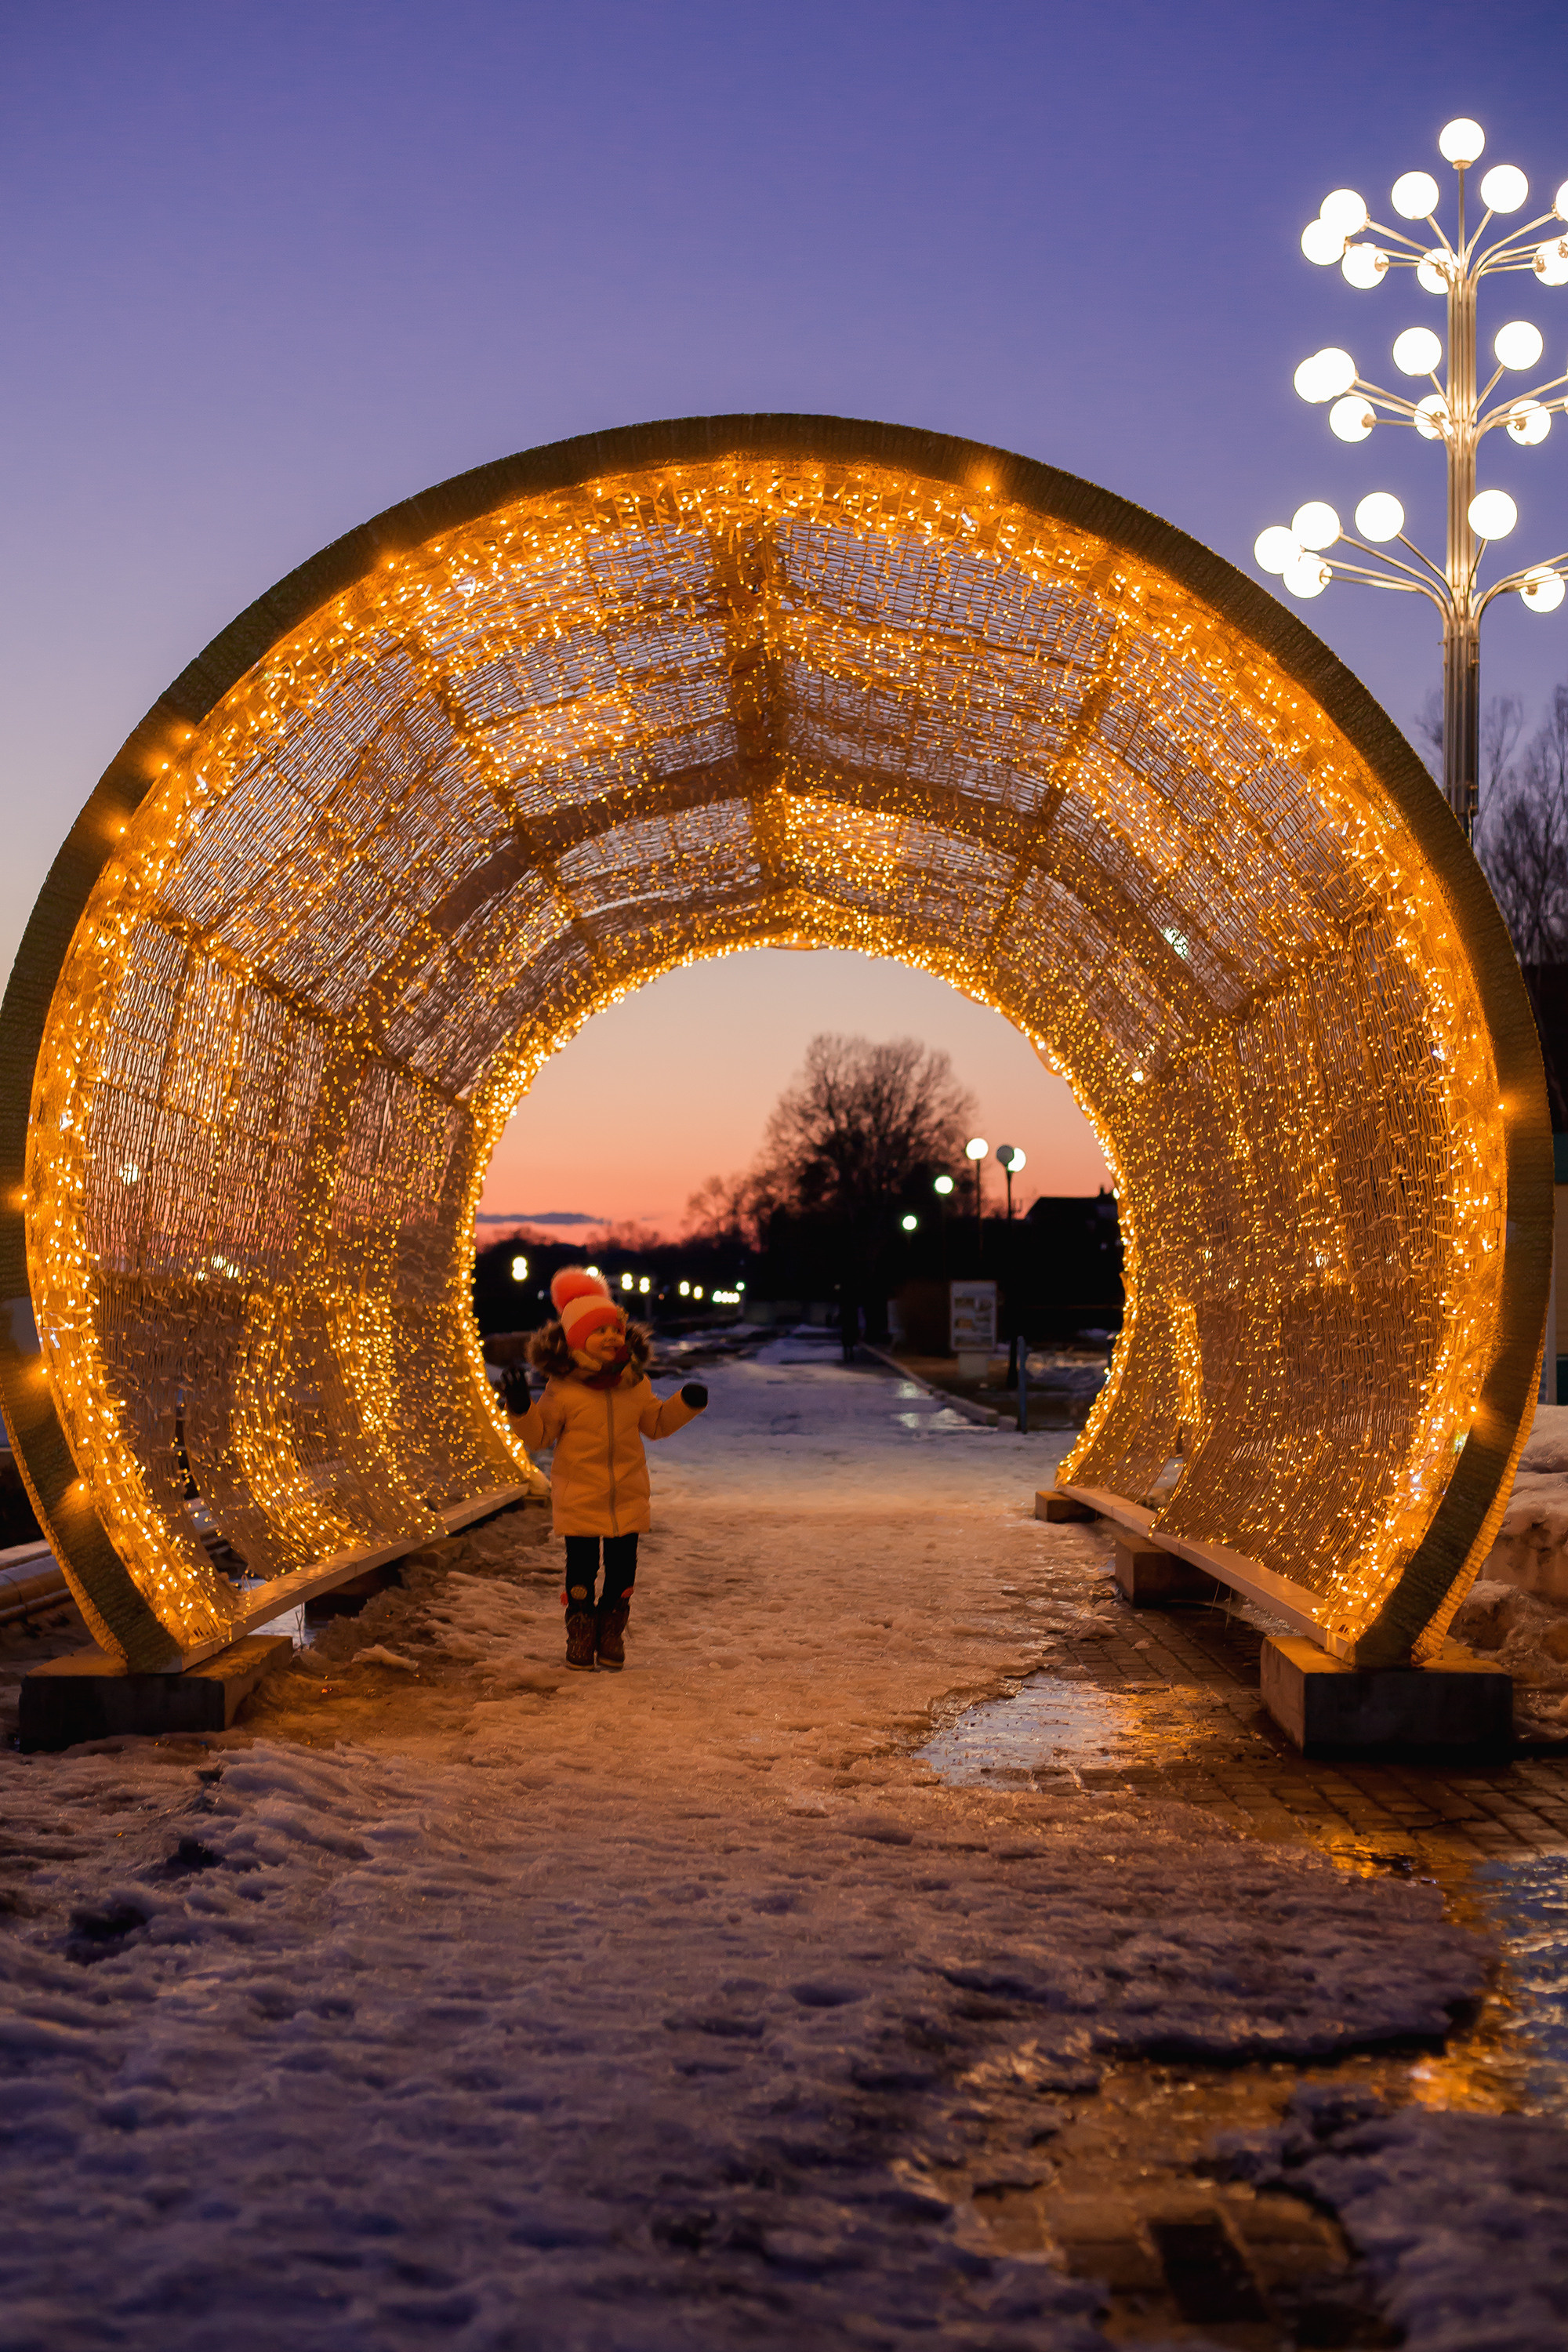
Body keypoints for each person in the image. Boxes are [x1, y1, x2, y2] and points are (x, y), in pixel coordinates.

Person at [508, 1266, 707, 1673]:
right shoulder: (563, 1388)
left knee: (622, 1573)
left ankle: (611, 1631)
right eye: (599, 1331)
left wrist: (685, 1404)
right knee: (581, 1571)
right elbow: (540, 1435)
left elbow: (656, 1425)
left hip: (628, 1495)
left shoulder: (634, 1383)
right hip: (580, 1494)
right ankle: (580, 1631)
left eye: (615, 1330)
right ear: (578, 1340)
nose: (612, 1337)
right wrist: (520, 1408)